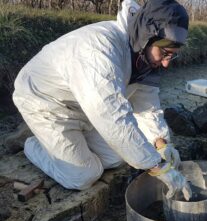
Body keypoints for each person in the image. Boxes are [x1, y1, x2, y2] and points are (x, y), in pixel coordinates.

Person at [12, 0, 191, 200]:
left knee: (118, 157)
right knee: (83, 176)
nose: (166, 63)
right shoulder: (99, 50)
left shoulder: (142, 54)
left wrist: (161, 143)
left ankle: (67, 140)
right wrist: (158, 167)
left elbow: (147, 105)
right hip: (47, 102)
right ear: (148, 36)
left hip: (84, 105)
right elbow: (111, 118)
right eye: (165, 53)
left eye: (172, 56)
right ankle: (34, 143)